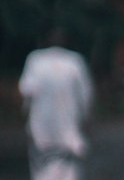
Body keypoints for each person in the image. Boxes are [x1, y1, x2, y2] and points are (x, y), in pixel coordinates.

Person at [19, 30, 94, 180]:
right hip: (69, 126)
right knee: (69, 169)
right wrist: (86, 118)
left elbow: (26, 91)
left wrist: (25, 114)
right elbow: (86, 95)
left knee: (42, 168)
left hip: (41, 126)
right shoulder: (75, 61)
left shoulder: (35, 60)